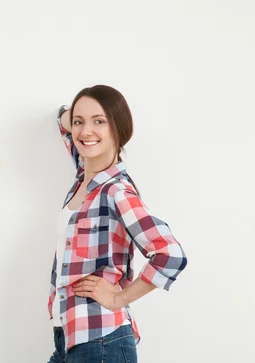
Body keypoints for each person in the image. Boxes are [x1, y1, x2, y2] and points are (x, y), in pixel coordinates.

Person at [47, 85, 187, 363]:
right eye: (80, 121)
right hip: (69, 338)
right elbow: (63, 121)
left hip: (101, 341)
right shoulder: (83, 175)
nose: (86, 131)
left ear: (118, 129)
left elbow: (170, 255)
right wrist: (75, 118)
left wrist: (118, 299)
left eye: (100, 121)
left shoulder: (116, 191)